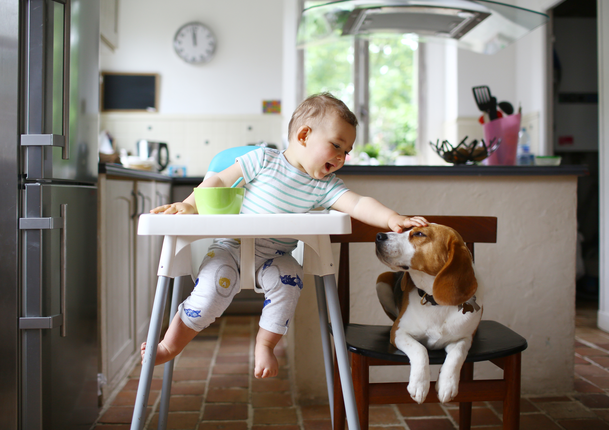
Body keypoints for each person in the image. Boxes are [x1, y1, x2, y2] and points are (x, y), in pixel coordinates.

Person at [144, 92, 428, 378]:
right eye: (337, 145)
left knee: (289, 280)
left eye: (347, 150)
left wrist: (393, 218)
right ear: (304, 135)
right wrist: (190, 205)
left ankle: (266, 343)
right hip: (230, 247)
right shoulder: (262, 159)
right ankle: (169, 346)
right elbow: (218, 180)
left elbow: (357, 203)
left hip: (275, 257)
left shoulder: (324, 186)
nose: (343, 157)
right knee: (209, 294)